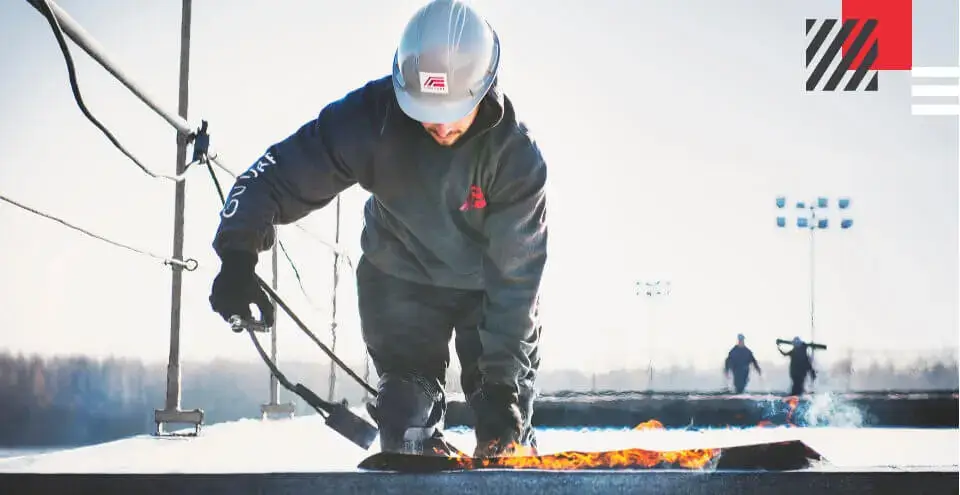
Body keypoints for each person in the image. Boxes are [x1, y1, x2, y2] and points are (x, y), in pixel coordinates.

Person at [206, 0, 547, 459]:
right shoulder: (373, 118)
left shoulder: (516, 161)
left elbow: (516, 282)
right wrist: (238, 256)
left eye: (452, 111)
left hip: (487, 295)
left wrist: (504, 390)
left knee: (503, 436)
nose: (439, 125)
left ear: (483, 90)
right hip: (401, 281)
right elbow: (276, 175)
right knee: (405, 423)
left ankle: (505, 426)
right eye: (427, 110)